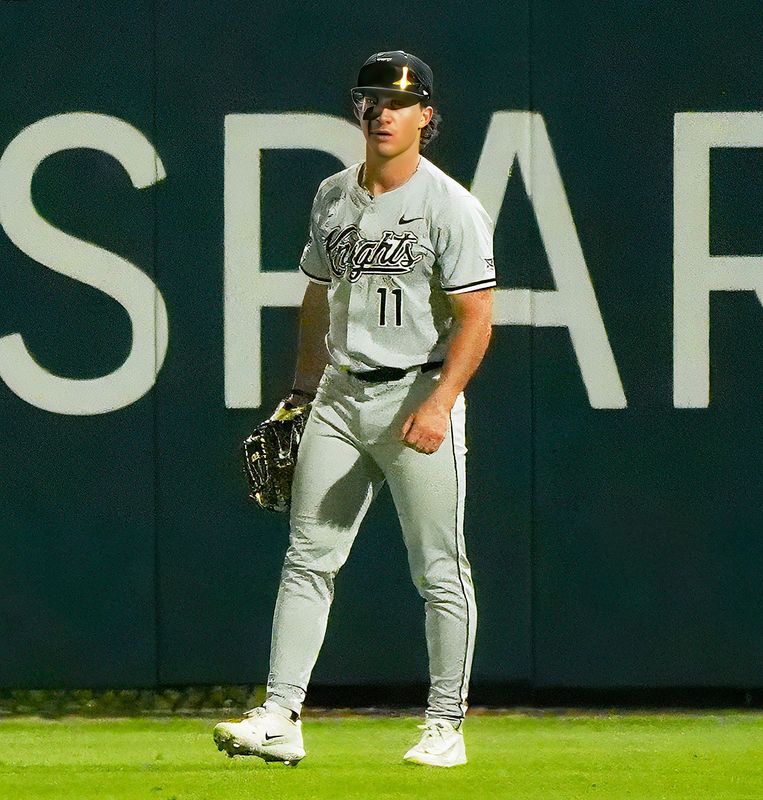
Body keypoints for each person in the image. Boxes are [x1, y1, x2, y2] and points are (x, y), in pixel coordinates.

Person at [214, 50, 495, 768]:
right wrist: (303, 392)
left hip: (415, 393)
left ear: (426, 116)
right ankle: (280, 716)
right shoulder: (332, 194)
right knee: (307, 557)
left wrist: (441, 403)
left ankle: (444, 725)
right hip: (341, 394)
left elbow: (476, 316)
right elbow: (317, 293)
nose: (382, 112)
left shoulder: (450, 206)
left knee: (438, 568)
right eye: (371, 99)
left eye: (399, 102)